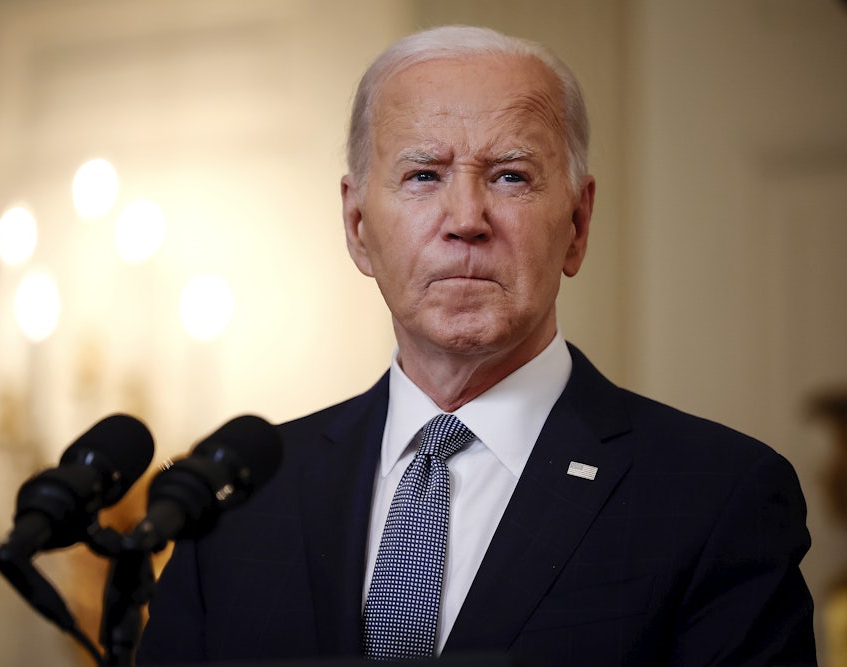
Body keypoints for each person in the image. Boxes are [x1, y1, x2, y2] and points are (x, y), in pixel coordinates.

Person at [136, 25, 816, 666]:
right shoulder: (234, 502)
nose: (466, 220)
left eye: (510, 176)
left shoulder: (717, 497)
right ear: (356, 225)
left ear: (577, 224)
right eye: (424, 174)